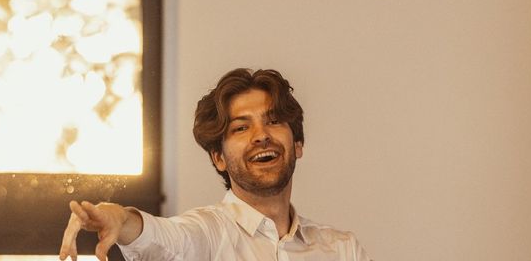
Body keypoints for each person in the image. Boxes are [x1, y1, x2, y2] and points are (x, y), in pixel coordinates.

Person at [59, 68, 370, 260]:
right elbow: (163, 239)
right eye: (241, 128)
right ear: (218, 157)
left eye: (273, 121)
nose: (261, 136)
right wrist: (121, 219)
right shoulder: (205, 236)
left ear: (297, 144)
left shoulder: (342, 250)